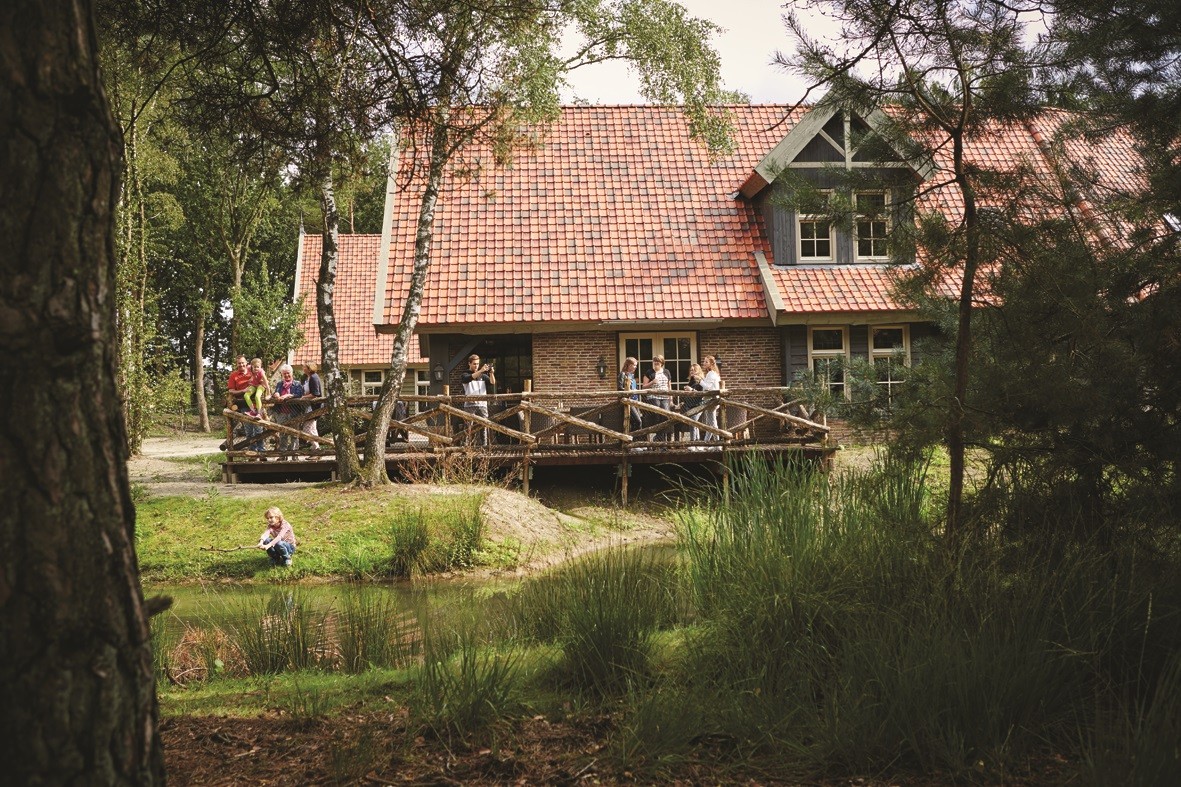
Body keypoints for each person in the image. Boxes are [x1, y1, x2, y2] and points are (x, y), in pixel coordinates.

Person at [226, 355, 263, 450]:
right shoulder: (234, 375)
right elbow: (231, 390)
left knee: (259, 428)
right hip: (244, 405)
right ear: (236, 364)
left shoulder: (253, 371)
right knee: (249, 429)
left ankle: (261, 450)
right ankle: (252, 451)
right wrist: (243, 391)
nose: (241, 365)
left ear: (246, 363)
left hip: (256, 404)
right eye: (239, 363)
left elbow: (262, 377)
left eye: (243, 362)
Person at [460, 353, 496, 446]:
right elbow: (469, 378)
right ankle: (465, 448)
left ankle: (484, 448)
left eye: (477, 364)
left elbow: (492, 382)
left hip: (482, 405)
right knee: (468, 427)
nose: (476, 366)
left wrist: (491, 373)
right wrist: (481, 370)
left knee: (484, 427)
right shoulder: (465, 374)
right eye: (474, 364)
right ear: (469, 364)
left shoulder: (483, 376)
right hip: (469, 405)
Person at [269, 364, 305, 451]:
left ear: (292, 373)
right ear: (282, 374)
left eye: (288, 373)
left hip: (294, 412)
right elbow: (276, 392)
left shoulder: (297, 384)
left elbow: (299, 394)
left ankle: (294, 454)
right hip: (281, 412)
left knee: (294, 434)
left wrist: (288, 395)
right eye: (284, 374)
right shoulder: (279, 384)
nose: (286, 375)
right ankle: (283, 454)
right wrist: (276, 394)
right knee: (283, 433)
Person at [642, 354, 673, 440]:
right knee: (657, 412)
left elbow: (669, 386)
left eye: (658, 362)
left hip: (664, 397)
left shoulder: (666, 372)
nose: (656, 364)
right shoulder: (649, 372)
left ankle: (659, 437)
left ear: (661, 363)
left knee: (665, 414)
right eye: (654, 362)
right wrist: (652, 382)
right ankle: (659, 437)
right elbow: (644, 386)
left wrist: (671, 400)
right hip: (653, 396)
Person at [300, 363, 323, 449]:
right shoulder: (308, 378)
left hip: (314, 407)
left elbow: (315, 394)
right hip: (309, 407)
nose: (303, 368)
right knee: (312, 428)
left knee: (308, 428)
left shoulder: (314, 377)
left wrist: (303, 397)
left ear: (309, 368)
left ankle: (316, 447)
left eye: (305, 367)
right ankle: (315, 448)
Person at [617, 357, 643, 431]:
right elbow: (620, 388)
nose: (636, 367)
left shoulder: (632, 376)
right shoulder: (623, 374)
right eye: (634, 365)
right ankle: (633, 439)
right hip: (628, 401)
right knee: (638, 421)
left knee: (635, 422)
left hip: (635, 401)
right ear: (629, 365)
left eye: (636, 365)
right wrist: (630, 391)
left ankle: (634, 439)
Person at [681, 362, 705, 441]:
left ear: (698, 371)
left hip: (697, 405)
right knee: (694, 424)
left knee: (693, 424)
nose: (692, 371)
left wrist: (691, 390)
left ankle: (693, 442)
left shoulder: (700, 381)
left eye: (694, 370)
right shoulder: (691, 381)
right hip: (689, 405)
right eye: (691, 370)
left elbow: (701, 394)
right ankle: (697, 442)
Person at [700, 355, 721, 440]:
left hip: (712, 400)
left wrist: (700, 381)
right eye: (704, 361)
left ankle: (718, 443)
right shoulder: (711, 373)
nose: (704, 363)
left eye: (706, 362)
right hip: (711, 400)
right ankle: (706, 442)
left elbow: (708, 387)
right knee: (710, 422)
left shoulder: (711, 374)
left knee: (712, 422)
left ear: (711, 364)